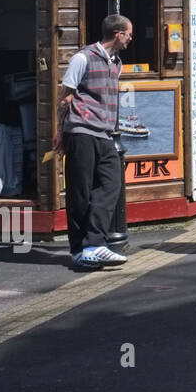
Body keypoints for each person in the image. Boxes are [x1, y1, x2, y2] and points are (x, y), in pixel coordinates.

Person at [54, 14, 134, 269]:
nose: (131, 38)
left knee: (111, 185)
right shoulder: (83, 58)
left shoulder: (116, 62)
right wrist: (60, 132)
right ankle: (79, 250)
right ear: (119, 33)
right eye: (129, 34)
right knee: (80, 192)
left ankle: (95, 244)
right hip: (81, 131)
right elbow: (64, 98)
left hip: (105, 134)